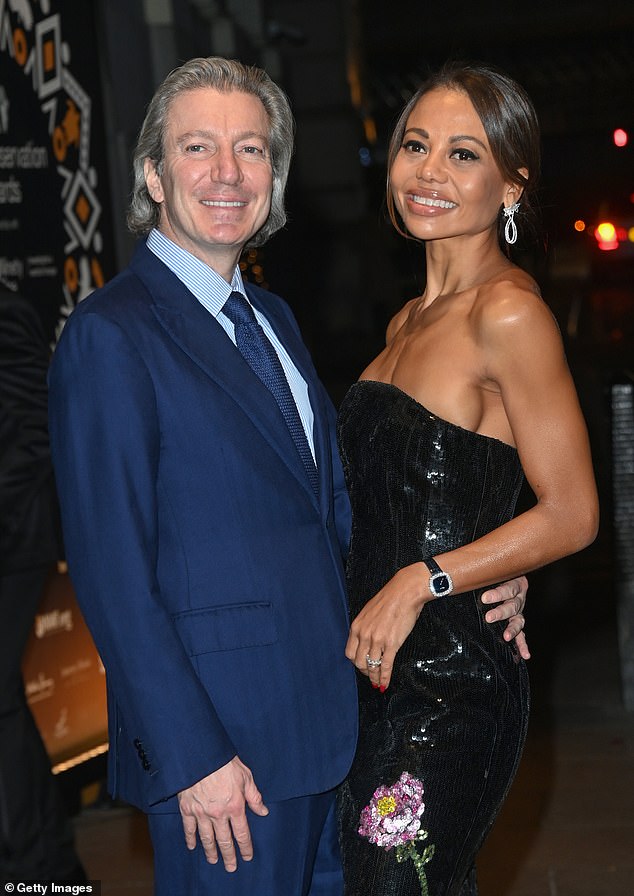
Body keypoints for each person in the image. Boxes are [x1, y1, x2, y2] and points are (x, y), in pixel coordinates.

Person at [48, 57, 529, 896]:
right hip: (224, 765)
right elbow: (112, 573)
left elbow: (342, 512)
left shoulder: (270, 318)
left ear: (276, 177)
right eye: (198, 148)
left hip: (335, 734)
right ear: (155, 175)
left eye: (252, 149)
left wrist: (485, 564)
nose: (227, 173)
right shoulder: (110, 336)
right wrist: (192, 756)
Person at [336, 62, 599, 896]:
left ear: (511, 185)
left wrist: (427, 579)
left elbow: (572, 512)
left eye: (463, 155)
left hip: (453, 682)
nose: (428, 172)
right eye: (416, 146)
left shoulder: (509, 313)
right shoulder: (403, 322)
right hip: (369, 674)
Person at [0, 283, 86, 883]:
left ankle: (35, 867)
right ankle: (49, 866)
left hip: (13, 546)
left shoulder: (5, 308)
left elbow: (33, 433)